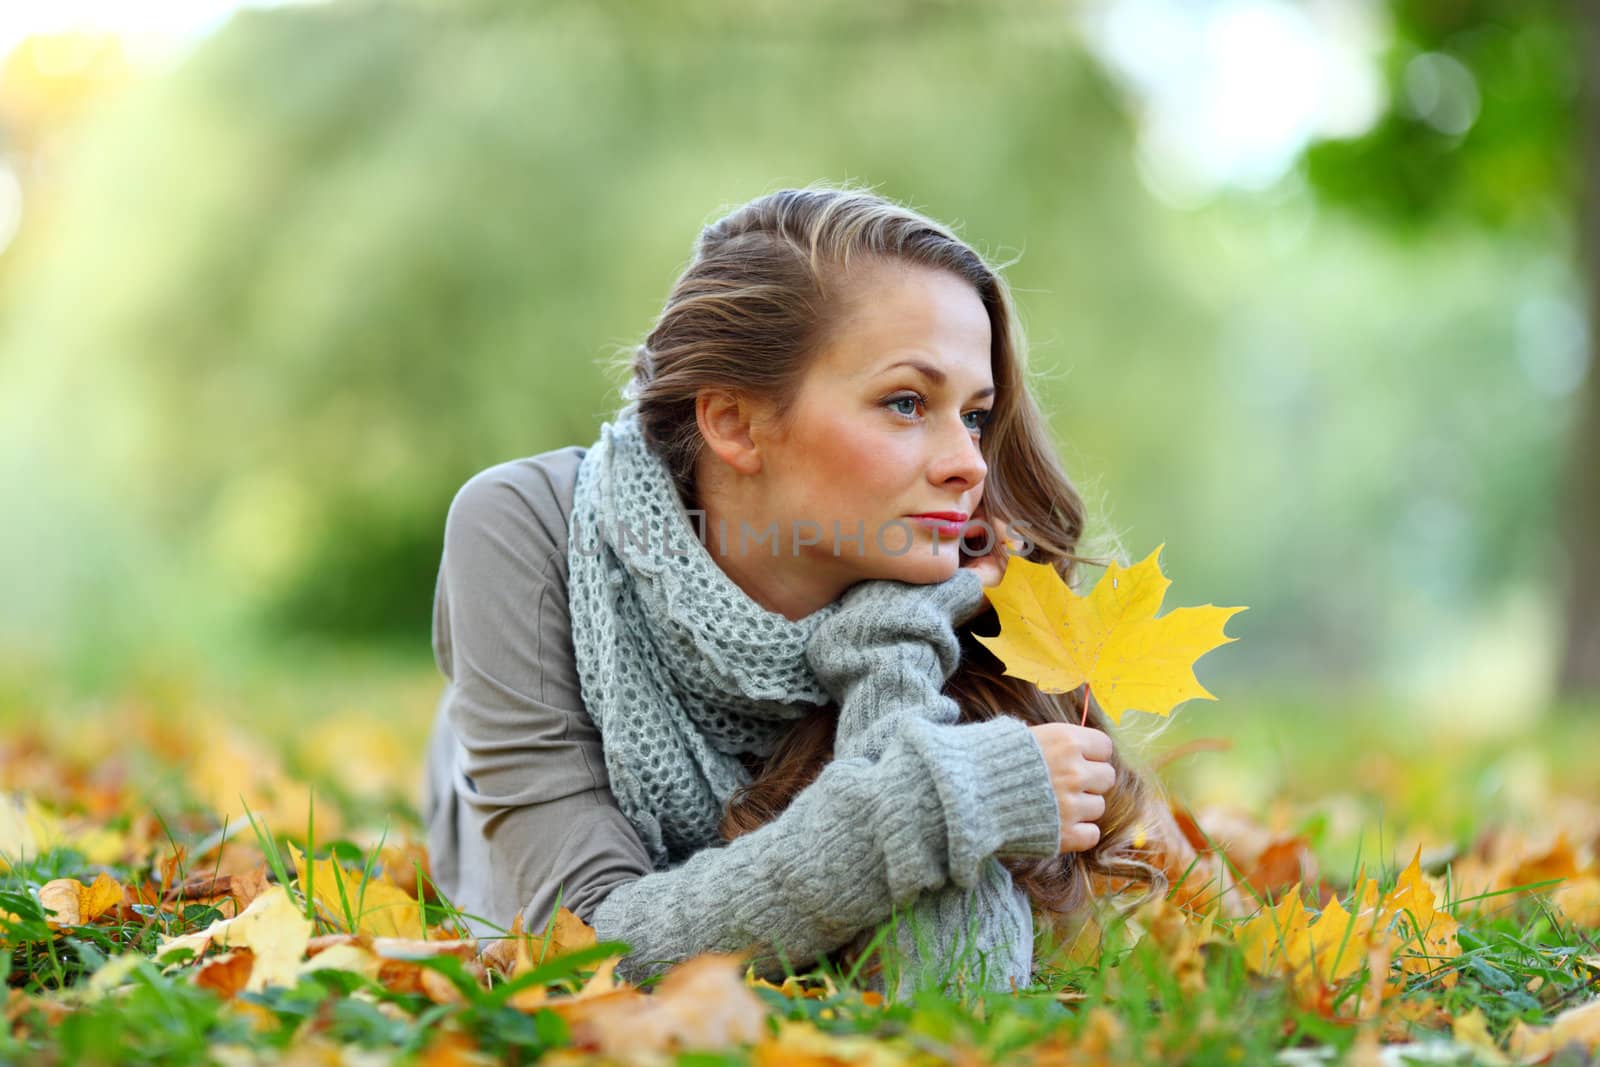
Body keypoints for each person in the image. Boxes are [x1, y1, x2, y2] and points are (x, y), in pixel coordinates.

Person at [420, 183, 1169, 1000]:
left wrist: (900, 630)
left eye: (977, 415)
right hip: (489, 798)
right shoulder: (524, 527)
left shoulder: (947, 591)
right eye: (907, 402)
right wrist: (935, 802)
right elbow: (587, 948)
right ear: (736, 424)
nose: (971, 465)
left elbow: (959, 983)